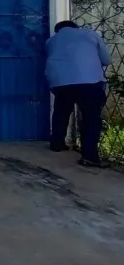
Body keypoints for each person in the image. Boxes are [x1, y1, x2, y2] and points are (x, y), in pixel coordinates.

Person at [46, 20, 112, 168]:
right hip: (89, 81)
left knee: (61, 113)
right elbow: (107, 60)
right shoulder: (89, 34)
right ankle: (89, 156)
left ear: (57, 30)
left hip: (61, 82)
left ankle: (57, 143)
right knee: (90, 117)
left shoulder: (51, 41)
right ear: (76, 27)